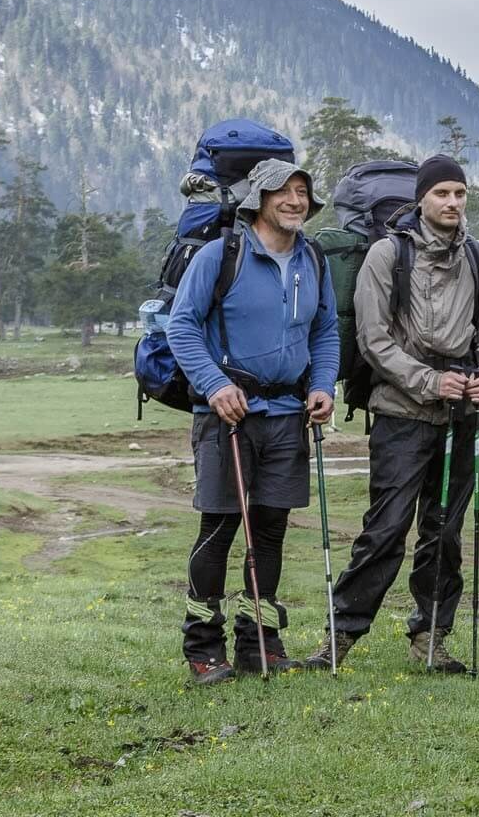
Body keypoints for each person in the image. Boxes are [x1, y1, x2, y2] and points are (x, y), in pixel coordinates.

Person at [306, 154, 479, 673]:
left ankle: (431, 638)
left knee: (444, 532)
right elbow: (373, 340)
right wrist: (429, 380)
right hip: (401, 412)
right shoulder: (387, 254)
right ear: (421, 198)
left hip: (460, 415)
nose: (451, 203)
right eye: (442, 193)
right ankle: (340, 636)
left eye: (459, 194)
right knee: (386, 528)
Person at [167, 158, 338, 684]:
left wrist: (322, 386)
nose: (295, 200)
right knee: (219, 529)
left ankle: (258, 642)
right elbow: (182, 326)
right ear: (257, 200)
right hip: (228, 417)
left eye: (302, 191)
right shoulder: (223, 255)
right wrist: (216, 386)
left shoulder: (313, 259)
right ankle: (202, 646)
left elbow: (326, 331)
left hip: (287, 414)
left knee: (269, 533)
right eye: (282, 191)